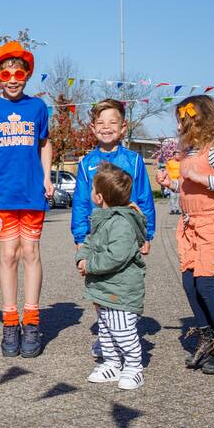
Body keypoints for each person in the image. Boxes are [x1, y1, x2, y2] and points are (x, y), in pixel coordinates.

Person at [156, 95, 214, 375]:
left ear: (201, 121)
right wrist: (171, 184)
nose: (181, 125)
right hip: (191, 225)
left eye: (185, 120)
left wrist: (201, 179)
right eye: (180, 121)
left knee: (205, 285)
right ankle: (208, 339)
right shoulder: (189, 154)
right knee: (189, 284)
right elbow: (189, 189)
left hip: (213, 225)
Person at [0, 41, 53, 358]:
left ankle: (32, 320)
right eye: (6, 72)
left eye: (18, 72)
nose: (12, 78)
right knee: (8, 254)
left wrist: (48, 177)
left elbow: (45, 143)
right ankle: (10, 322)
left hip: (32, 191)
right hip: (4, 192)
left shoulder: (37, 108)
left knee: (30, 253)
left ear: (27, 75)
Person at [72, 98, 156, 359]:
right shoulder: (87, 164)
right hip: (98, 234)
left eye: (112, 122)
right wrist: (79, 236)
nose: (106, 127)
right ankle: (106, 334)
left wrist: (147, 233)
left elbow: (144, 198)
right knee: (98, 284)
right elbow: (81, 201)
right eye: (100, 123)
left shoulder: (133, 160)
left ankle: (126, 333)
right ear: (93, 127)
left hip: (126, 233)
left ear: (123, 127)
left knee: (123, 282)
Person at [75, 163, 147, 390]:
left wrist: (90, 265)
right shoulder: (103, 218)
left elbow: (117, 256)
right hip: (105, 289)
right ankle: (113, 362)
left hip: (121, 290)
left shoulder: (121, 222)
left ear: (98, 196)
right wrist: (81, 257)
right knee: (105, 329)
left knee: (123, 330)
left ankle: (134, 367)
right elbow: (90, 242)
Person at [166, 149, 182, 215]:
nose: (179, 156)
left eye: (179, 155)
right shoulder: (169, 162)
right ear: (174, 155)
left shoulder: (181, 163)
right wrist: (168, 180)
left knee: (178, 196)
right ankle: (172, 209)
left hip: (179, 181)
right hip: (172, 181)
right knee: (172, 196)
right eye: (177, 155)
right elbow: (167, 171)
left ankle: (177, 209)